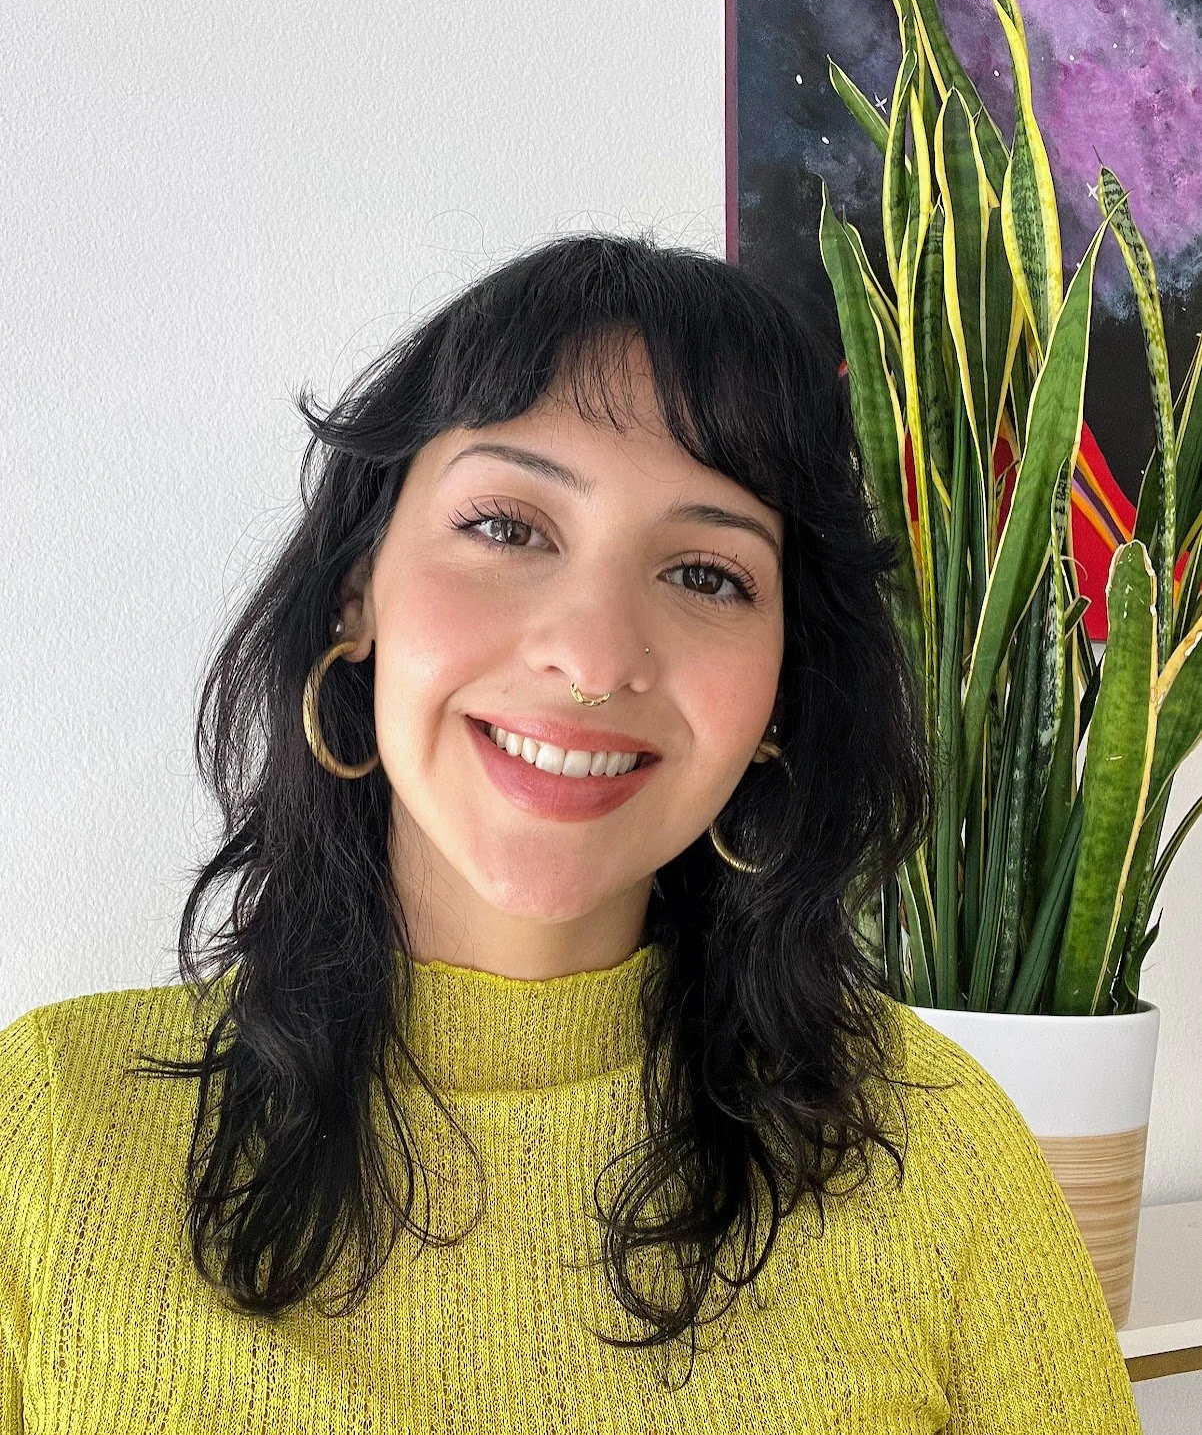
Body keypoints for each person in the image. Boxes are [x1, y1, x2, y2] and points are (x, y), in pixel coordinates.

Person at [0, 233, 1141, 1431]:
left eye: (705, 575)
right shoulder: (53, 1135)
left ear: (777, 697)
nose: (594, 660)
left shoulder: (940, 1160)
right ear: (357, 590)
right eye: (508, 527)